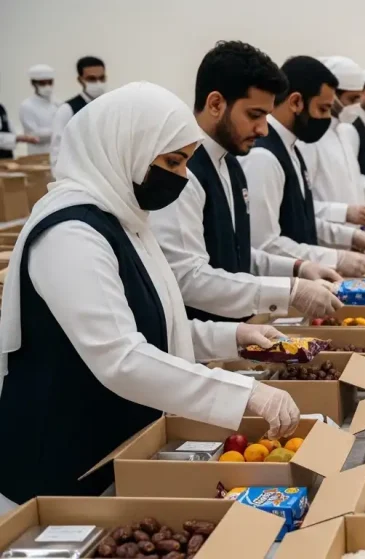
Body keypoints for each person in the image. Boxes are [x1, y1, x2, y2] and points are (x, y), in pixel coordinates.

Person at [0, 82, 301, 510]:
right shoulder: (70, 234)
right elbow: (121, 357)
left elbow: (157, 323)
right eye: (173, 162)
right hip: (58, 467)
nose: (180, 178)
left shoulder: (125, 221)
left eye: (186, 164)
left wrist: (232, 338)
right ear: (127, 148)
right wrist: (243, 392)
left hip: (110, 448)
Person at [151, 41, 343, 323]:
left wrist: (298, 268)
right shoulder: (184, 171)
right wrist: (287, 290)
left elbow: (237, 254)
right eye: (254, 115)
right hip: (200, 347)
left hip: (233, 337)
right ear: (216, 103)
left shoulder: (230, 163)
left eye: (266, 115)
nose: (263, 128)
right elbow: (187, 278)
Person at [241, 56, 365, 275]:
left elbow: (303, 221)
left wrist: (350, 236)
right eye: (323, 109)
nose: (327, 118)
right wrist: (334, 258)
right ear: (296, 102)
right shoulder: (263, 157)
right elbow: (264, 245)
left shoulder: (292, 148)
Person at [296, 57, 365, 227]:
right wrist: (344, 213)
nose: (357, 106)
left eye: (359, 99)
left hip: (353, 240)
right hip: (326, 246)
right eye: (352, 99)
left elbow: (352, 184)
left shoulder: (348, 132)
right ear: (332, 96)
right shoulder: (309, 139)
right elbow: (301, 206)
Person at [50, 56, 106, 166]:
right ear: (80, 80)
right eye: (92, 79)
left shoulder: (112, 105)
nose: (98, 83)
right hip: (80, 172)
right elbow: (58, 151)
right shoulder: (67, 110)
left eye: (101, 78)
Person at [18, 64, 57, 156]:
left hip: (57, 152)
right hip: (37, 153)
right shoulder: (27, 105)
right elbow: (33, 134)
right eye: (42, 83)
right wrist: (58, 130)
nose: (47, 86)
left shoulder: (57, 103)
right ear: (34, 84)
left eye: (50, 82)